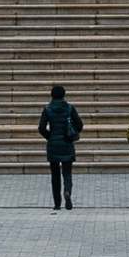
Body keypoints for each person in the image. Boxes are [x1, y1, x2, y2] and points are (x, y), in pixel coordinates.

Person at [38, 81, 83, 210]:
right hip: (67, 144)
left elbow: (41, 128)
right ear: (64, 95)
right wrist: (72, 134)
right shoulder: (69, 108)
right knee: (67, 173)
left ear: (52, 96)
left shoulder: (47, 109)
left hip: (53, 145)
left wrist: (50, 137)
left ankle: (57, 204)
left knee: (55, 175)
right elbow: (80, 125)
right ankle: (67, 191)